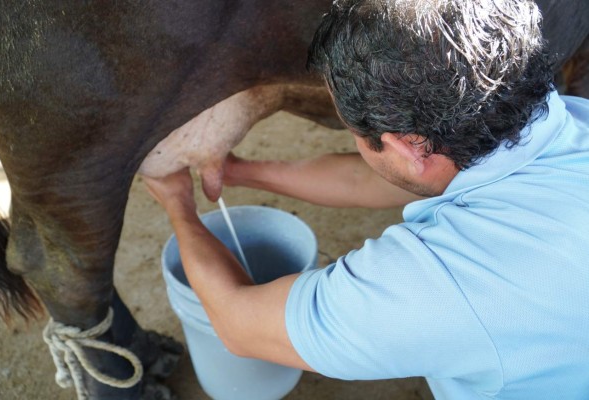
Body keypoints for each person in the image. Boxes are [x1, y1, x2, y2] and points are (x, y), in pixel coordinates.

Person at [143, 0, 589, 398]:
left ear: (407, 147)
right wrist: (240, 171)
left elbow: (239, 326)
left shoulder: (441, 284)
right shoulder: (562, 118)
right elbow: (373, 180)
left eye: (357, 136)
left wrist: (179, 207)